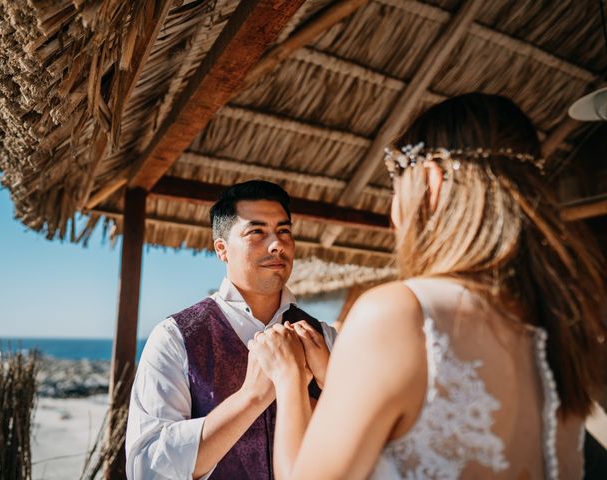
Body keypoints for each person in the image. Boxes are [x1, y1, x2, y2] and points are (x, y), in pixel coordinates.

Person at [248, 93, 607, 479]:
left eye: (396, 189)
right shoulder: (565, 319)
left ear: (432, 182)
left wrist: (287, 381)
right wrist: (334, 379)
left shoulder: (399, 313)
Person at [125, 180, 337, 479]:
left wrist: (331, 386)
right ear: (222, 249)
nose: (277, 244)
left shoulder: (325, 338)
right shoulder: (175, 337)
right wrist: (251, 397)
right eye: (257, 232)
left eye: (284, 231)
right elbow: (146, 466)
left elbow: (372, 445)